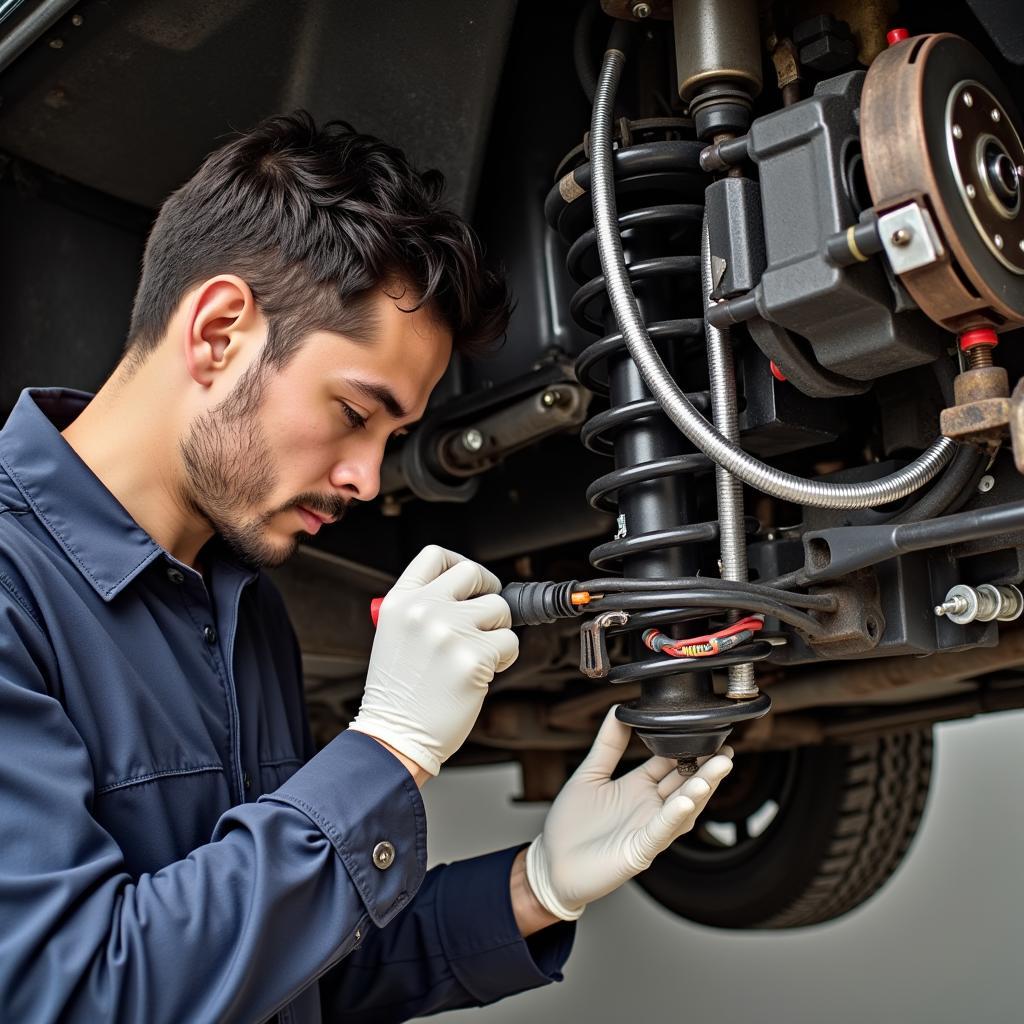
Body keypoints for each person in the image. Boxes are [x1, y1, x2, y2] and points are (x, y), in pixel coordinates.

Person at [0, 111, 733, 1023]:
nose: (367, 479)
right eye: (355, 412)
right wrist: (386, 751)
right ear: (220, 330)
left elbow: (280, 970)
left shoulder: (243, 606)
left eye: (395, 437)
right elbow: (71, 997)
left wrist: (538, 885)